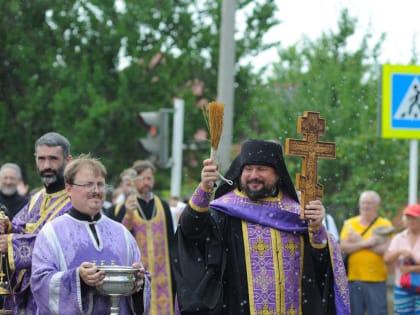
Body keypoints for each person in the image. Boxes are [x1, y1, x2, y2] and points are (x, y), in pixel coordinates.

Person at [172, 139, 350, 314]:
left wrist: (317, 228)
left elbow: (320, 266)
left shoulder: (297, 215)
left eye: (262, 169)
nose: (253, 175)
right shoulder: (225, 213)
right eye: (248, 169)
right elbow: (190, 232)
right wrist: (204, 188)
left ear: (278, 174)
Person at [31, 155, 151, 314]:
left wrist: (140, 282)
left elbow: (141, 283)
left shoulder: (121, 233)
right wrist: (78, 278)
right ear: (69, 189)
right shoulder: (51, 233)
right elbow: (40, 284)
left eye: (100, 184)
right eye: (88, 184)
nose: (96, 191)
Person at [0, 132, 73, 314]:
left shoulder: (74, 200)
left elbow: (59, 243)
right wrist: (8, 227)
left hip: (55, 293)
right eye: (41, 159)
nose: (46, 165)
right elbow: (22, 228)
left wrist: (10, 244)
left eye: (53, 159)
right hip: (28, 295)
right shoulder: (36, 197)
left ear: (68, 160)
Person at [108, 160, 176, 314]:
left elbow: (171, 240)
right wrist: (129, 214)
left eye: (149, 178)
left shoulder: (163, 205)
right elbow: (118, 238)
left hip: (162, 273)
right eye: (142, 179)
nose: (146, 182)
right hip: (137, 271)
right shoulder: (122, 207)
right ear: (134, 181)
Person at [340, 190, 394, 315]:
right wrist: (366, 243)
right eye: (363, 203)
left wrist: (357, 241)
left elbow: (385, 250)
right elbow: (343, 247)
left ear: (378, 205)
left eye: (369, 203)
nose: (365, 206)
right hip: (353, 279)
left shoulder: (385, 224)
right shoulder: (350, 224)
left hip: (376, 280)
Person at [384, 204, 420, 314]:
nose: (410, 221)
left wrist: (412, 269)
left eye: (414, 218)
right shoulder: (399, 238)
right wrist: (399, 252)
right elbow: (387, 260)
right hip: (402, 287)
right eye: (408, 218)